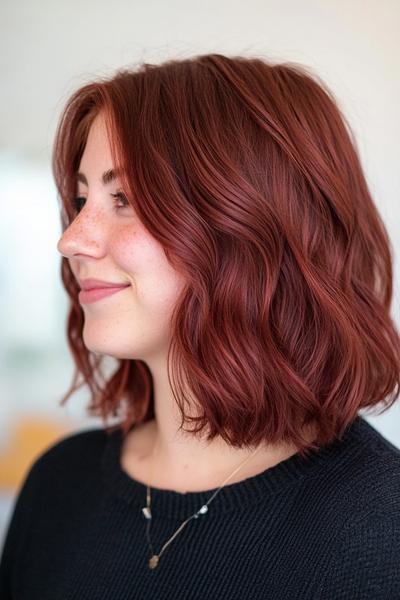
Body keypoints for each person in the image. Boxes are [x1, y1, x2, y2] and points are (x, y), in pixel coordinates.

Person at [1, 52, 400, 599]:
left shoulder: (380, 528)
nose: (71, 240)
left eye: (125, 198)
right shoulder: (58, 486)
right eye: (79, 199)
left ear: (252, 227)